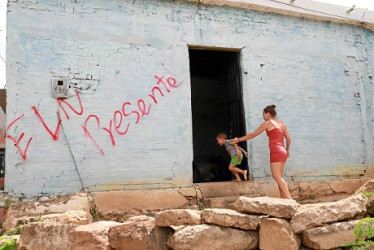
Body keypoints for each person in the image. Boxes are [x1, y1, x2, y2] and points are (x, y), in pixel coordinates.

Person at [231, 105, 292, 199]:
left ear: (268, 114)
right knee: (279, 177)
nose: (263, 117)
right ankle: (284, 200)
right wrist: (287, 151)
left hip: (276, 151)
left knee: (276, 177)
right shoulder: (281, 124)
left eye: (263, 114)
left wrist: (238, 139)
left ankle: (289, 199)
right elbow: (288, 139)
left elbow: (253, 134)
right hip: (283, 151)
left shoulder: (267, 123)